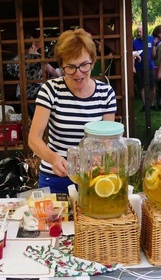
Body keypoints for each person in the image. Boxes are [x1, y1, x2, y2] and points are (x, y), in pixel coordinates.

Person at [28, 28, 117, 194]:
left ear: (93, 61)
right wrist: (53, 158)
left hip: (93, 176)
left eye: (84, 65)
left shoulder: (106, 94)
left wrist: (102, 156)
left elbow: (108, 140)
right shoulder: (51, 90)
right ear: (61, 65)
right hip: (55, 176)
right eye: (70, 67)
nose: (78, 73)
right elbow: (33, 138)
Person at [7, 35, 60, 118]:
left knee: (28, 116)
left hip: (21, 91)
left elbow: (9, 69)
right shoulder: (38, 58)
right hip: (35, 91)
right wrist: (61, 79)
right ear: (33, 44)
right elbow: (52, 70)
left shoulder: (17, 58)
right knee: (39, 116)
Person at [133, 25, 157, 111]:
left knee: (152, 85)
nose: (138, 33)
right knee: (142, 86)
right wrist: (133, 67)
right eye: (137, 32)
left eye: (140, 32)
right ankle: (145, 105)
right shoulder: (134, 42)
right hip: (139, 67)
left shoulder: (151, 39)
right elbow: (132, 55)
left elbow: (158, 47)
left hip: (150, 66)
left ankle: (152, 103)